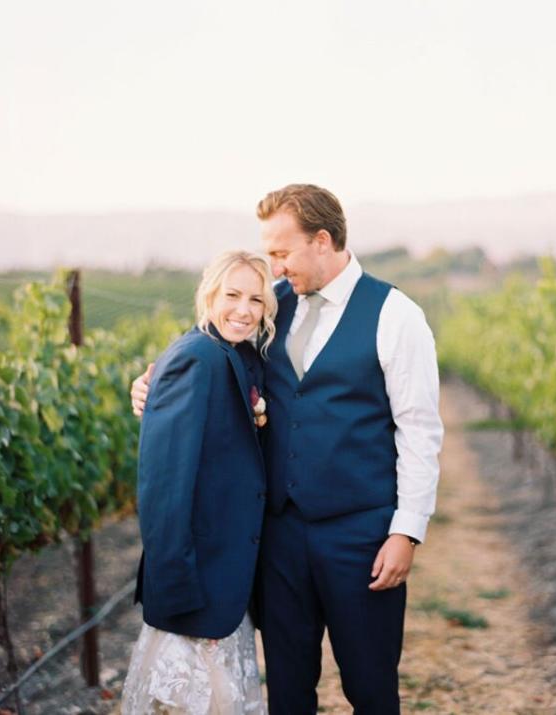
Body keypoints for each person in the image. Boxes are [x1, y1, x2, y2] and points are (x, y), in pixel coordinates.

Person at [132, 184, 443, 714]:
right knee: (289, 690)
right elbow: (210, 351)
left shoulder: (395, 315)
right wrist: (150, 382)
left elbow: (419, 430)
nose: (273, 265)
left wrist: (407, 530)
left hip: (361, 536)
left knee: (370, 686)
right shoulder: (271, 308)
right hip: (278, 539)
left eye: (280, 252)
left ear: (321, 241)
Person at [121, 250, 277, 715]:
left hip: (226, 578)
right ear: (208, 295)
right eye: (232, 295)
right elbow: (164, 486)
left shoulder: (239, 355)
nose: (244, 310)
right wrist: (178, 590)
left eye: (256, 299)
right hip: (196, 584)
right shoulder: (195, 359)